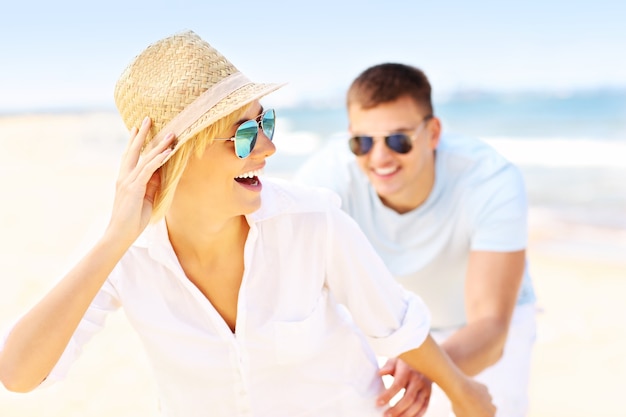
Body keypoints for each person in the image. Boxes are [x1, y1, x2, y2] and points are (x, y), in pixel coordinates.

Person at [0, 32, 495, 417]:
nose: (267, 148)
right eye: (242, 136)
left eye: (266, 122)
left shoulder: (311, 221)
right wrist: (113, 241)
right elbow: (20, 375)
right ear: (174, 160)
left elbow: (396, 325)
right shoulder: (121, 248)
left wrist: (463, 391)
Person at [294, 63, 537, 417]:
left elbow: (491, 326)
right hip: (394, 323)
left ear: (433, 133)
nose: (379, 158)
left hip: (482, 326)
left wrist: (431, 365)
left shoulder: (490, 180)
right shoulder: (326, 178)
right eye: (362, 142)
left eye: (398, 140)